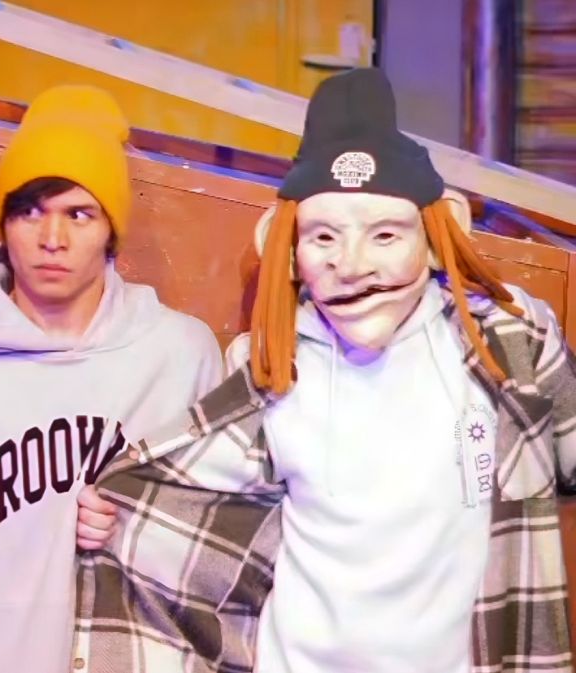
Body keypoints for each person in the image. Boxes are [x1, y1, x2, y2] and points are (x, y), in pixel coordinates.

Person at [74, 68, 576, 673]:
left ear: (439, 231)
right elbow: (183, 507)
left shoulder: (510, 342)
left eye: (385, 235)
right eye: (323, 238)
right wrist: (113, 516)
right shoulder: (270, 373)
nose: (352, 265)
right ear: (285, 247)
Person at [0, 84, 222, 673]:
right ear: (4, 223)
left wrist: (135, 530)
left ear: (111, 230)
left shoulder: (179, 356)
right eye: (30, 211)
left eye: (78, 214)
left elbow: (216, 549)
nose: (53, 239)